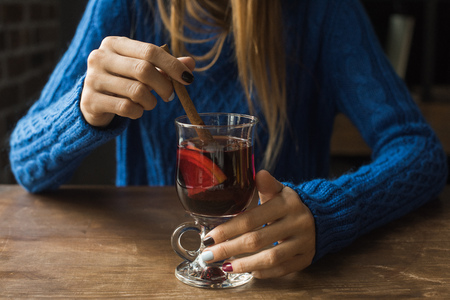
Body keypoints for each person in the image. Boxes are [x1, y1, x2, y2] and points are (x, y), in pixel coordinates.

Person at [9, 0, 447, 279]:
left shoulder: (324, 13)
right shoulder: (124, 6)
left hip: (286, 281)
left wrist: (329, 212)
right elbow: (24, 162)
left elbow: (421, 152)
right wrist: (82, 109)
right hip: (141, 276)